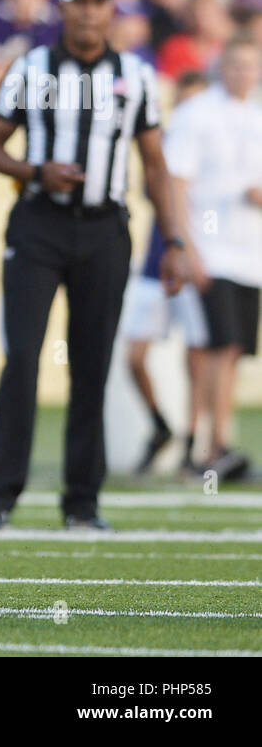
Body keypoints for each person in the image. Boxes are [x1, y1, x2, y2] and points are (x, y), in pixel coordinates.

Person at [0, 0, 190, 530]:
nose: (90, 11)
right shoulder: (31, 68)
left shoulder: (137, 76)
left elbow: (155, 162)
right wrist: (35, 171)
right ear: (63, 7)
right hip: (38, 224)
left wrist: (175, 239)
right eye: (80, 1)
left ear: (111, 9)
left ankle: (82, 503)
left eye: (100, 1)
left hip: (104, 230)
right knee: (21, 358)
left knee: (91, 365)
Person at [163, 37, 262, 480]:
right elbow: (175, 183)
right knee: (214, 348)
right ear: (221, 66)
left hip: (248, 253)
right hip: (212, 249)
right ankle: (208, 446)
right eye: (235, 64)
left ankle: (218, 443)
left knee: (233, 349)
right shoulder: (196, 115)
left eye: (251, 65)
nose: (243, 73)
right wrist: (185, 246)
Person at [122, 71, 211, 475]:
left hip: (196, 261)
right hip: (157, 260)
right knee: (135, 355)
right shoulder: (164, 144)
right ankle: (160, 426)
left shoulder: (214, 150)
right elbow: (150, 188)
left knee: (198, 354)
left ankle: (194, 443)